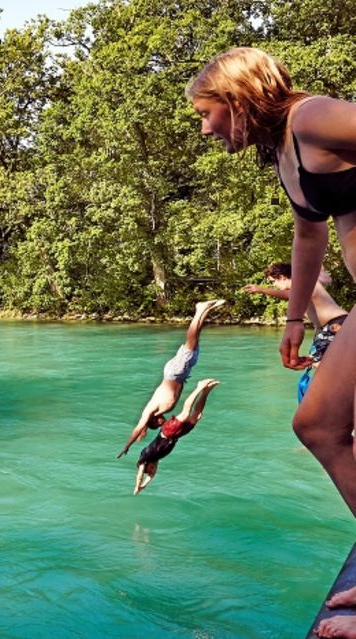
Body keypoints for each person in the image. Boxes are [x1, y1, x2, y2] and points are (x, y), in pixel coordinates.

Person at [188, 46, 356, 637]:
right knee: (317, 423)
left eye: (208, 113)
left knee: (321, 424)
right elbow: (310, 237)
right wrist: (292, 319)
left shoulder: (312, 118)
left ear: (238, 101)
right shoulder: (287, 150)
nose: (205, 127)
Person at [117, 299, 226, 459]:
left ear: (154, 421)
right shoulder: (159, 410)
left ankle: (199, 310)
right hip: (181, 374)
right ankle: (206, 310)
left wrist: (127, 446)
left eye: (159, 423)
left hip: (174, 373)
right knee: (194, 342)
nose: (164, 423)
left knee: (191, 342)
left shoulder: (150, 410)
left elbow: (139, 427)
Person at [243, 263, 348, 400]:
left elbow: (290, 295)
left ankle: (340, 393)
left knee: (318, 363)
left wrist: (261, 289)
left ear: (281, 277)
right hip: (333, 326)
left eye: (273, 282)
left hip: (335, 324)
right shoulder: (309, 284)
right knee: (319, 361)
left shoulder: (306, 284)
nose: (274, 285)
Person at [134, 379, 220, 494]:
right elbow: (151, 476)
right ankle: (206, 391)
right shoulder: (156, 459)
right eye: (153, 470)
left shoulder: (144, 458)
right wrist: (143, 487)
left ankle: (199, 387)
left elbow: (140, 475)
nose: (153, 470)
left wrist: (137, 486)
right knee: (197, 415)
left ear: (146, 467)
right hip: (177, 435)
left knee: (185, 413)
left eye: (151, 469)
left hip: (168, 432)